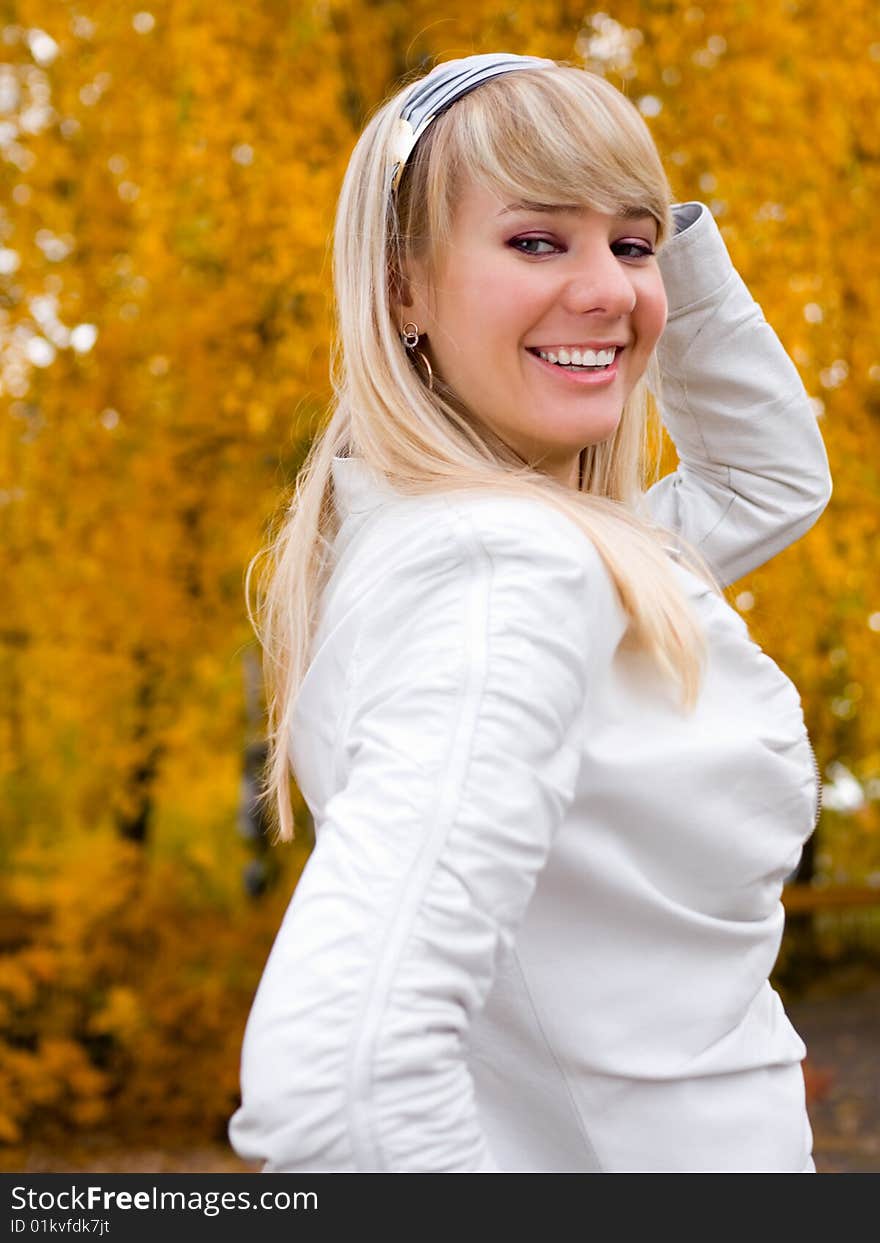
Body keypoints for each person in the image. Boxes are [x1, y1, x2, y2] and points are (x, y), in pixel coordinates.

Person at [227, 53, 832, 1173]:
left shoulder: (502, 541)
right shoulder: (502, 573)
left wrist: (665, 244)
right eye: (536, 240)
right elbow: (341, 1092)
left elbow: (770, 480)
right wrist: (628, 231)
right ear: (399, 285)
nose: (606, 287)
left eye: (629, 244)